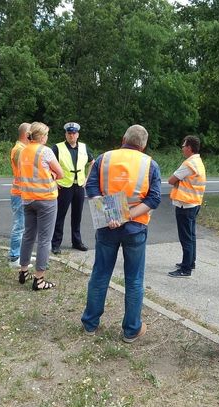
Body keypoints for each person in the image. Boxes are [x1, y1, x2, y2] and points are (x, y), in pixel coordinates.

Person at [81, 124, 161, 343]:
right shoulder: (150, 164)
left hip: (107, 226)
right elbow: (153, 199)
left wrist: (111, 215)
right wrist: (127, 216)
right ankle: (131, 330)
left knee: (100, 274)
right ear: (143, 145)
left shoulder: (103, 159)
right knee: (134, 279)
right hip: (135, 228)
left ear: (123, 138)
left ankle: (90, 323)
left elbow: (91, 188)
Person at [18, 122, 64, 291]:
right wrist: (52, 175)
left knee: (28, 236)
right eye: (46, 135)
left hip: (28, 199)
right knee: (44, 239)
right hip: (46, 200)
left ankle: (23, 271)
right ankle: (39, 279)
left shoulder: (23, 151)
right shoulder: (46, 151)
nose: (47, 137)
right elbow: (61, 173)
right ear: (42, 136)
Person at [51, 122, 94, 254]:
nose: (71, 135)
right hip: (64, 186)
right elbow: (47, 164)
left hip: (79, 185)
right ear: (66, 134)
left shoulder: (83, 147)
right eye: (69, 133)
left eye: (74, 133)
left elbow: (92, 162)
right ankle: (56, 244)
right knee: (60, 216)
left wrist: (87, 178)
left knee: (77, 215)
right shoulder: (57, 148)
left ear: (78, 135)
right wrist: (53, 180)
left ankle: (77, 241)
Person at [167, 135, 206, 278]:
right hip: (195, 202)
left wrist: (178, 182)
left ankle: (185, 268)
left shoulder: (189, 164)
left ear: (189, 148)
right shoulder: (198, 161)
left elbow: (171, 180)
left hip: (185, 204)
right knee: (191, 235)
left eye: (183, 146)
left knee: (186, 238)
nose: (182, 148)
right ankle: (191, 262)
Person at [8, 122, 35, 268]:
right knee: (20, 225)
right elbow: (24, 170)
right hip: (19, 193)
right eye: (32, 133)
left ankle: (21, 254)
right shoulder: (19, 150)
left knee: (24, 226)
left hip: (23, 192)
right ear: (26, 134)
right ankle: (14, 257)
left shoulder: (22, 148)